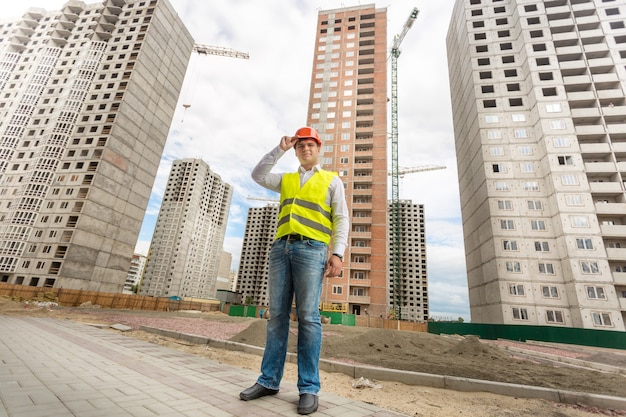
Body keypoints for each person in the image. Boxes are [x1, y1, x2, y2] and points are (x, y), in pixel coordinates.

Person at [240, 126, 349, 415]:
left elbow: (341, 219)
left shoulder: (331, 180)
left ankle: (309, 388)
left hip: (312, 251)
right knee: (276, 316)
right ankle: (268, 381)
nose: (305, 149)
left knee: (308, 318)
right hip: (281, 249)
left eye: (310, 144)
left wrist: (337, 254)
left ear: (318, 148)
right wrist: (279, 149)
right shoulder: (287, 179)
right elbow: (258, 175)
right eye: (301, 146)